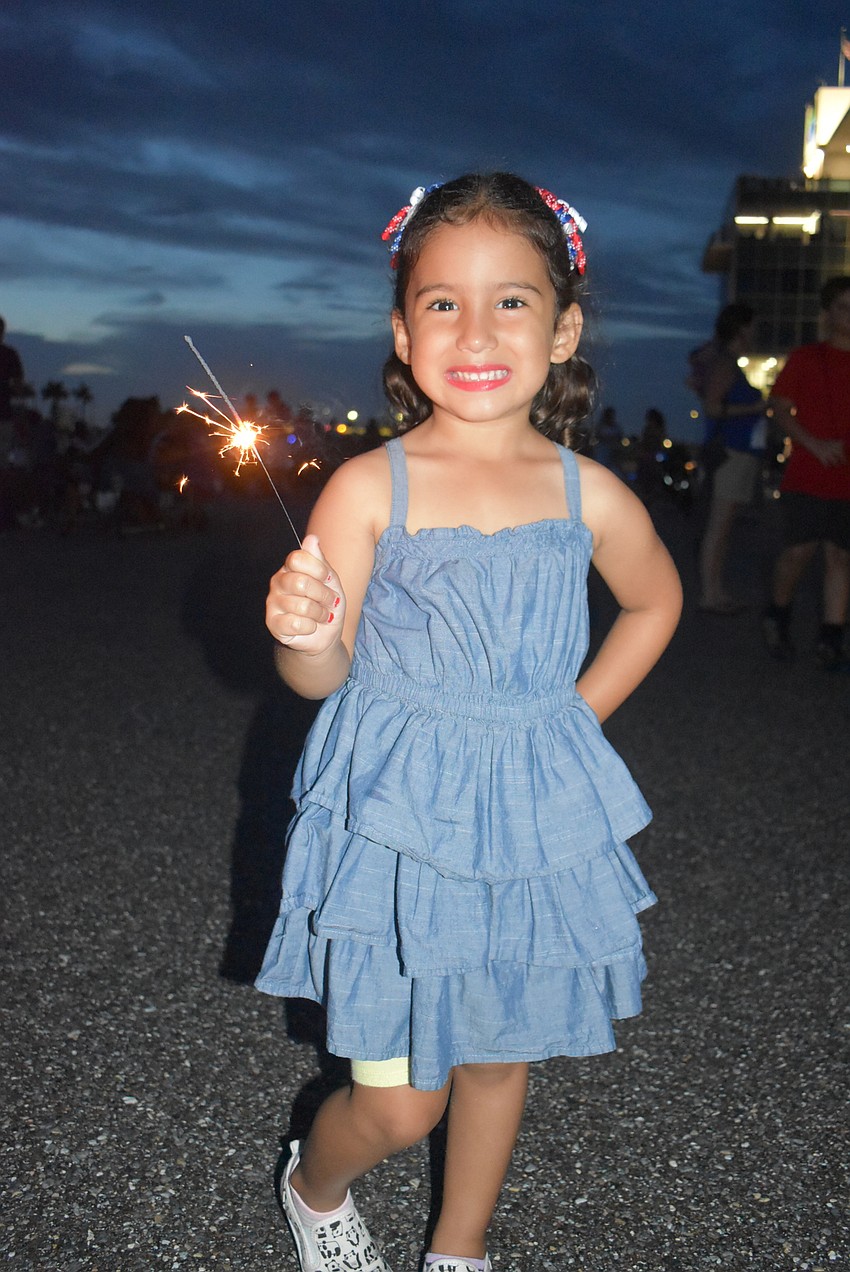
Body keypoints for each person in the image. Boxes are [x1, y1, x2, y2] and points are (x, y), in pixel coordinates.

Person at [257, 174, 683, 1272]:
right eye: (443, 302)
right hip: (402, 828)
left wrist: (572, 720)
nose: (477, 329)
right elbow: (319, 675)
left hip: (526, 822)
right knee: (402, 1104)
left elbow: (655, 598)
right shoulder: (369, 486)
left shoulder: (587, 491)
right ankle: (314, 1183)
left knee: (501, 1053)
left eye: (512, 300)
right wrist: (303, 631)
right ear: (403, 331)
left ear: (564, 326)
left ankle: (461, 1249)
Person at [762, 277, 850, 668]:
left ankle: (831, 636)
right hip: (808, 470)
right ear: (829, 313)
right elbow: (779, 408)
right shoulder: (806, 358)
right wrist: (813, 444)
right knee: (798, 552)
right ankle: (777, 615)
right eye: (844, 307)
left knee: (840, 556)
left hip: (846, 474)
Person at [690, 303, 765, 613]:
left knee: (722, 525)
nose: (756, 331)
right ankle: (710, 593)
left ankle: (715, 590)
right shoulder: (726, 364)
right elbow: (712, 407)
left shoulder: (726, 361)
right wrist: (758, 408)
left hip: (736, 452)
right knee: (718, 525)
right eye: (752, 325)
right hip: (730, 452)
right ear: (742, 328)